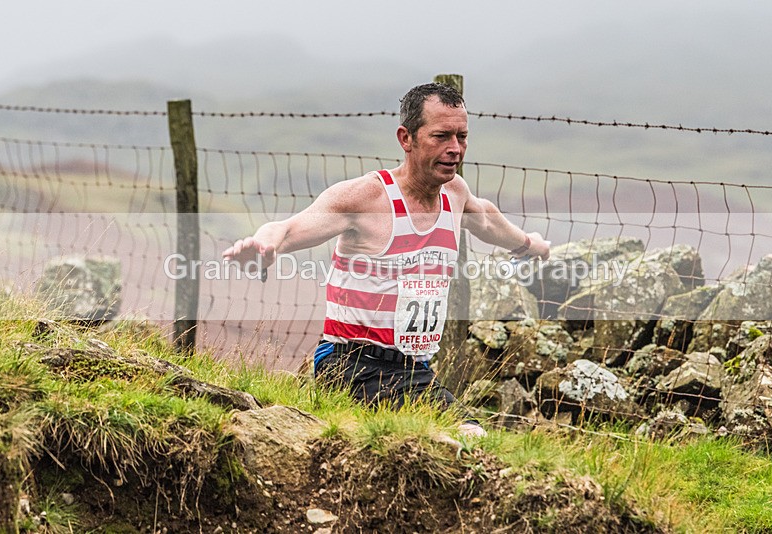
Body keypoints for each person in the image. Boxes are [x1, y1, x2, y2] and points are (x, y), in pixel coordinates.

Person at [223, 83, 550, 437]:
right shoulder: (367, 197)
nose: (454, 149)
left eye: (462, 136)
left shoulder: (455, 193)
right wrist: (264, 246)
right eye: (441, 136)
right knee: (462, 437)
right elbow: (287, 227)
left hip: (415, 370)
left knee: (468, 438)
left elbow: (485, 219)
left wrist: (528, 245)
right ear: (405, 138)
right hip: (350, 364)